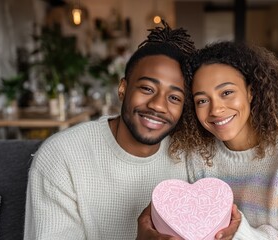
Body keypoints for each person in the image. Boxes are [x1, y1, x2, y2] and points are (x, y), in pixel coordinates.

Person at [24, 21, 196, 239]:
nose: (158, 105)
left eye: (174, 97)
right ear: (123, 89)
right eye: (147, 88)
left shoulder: (190, 154)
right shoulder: (61, 156)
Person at [179, 41, 278, 239]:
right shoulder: (197, 156)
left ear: (251, 91)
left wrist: (242, 233)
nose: (215, 109)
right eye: (202, 100)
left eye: (227, 93)